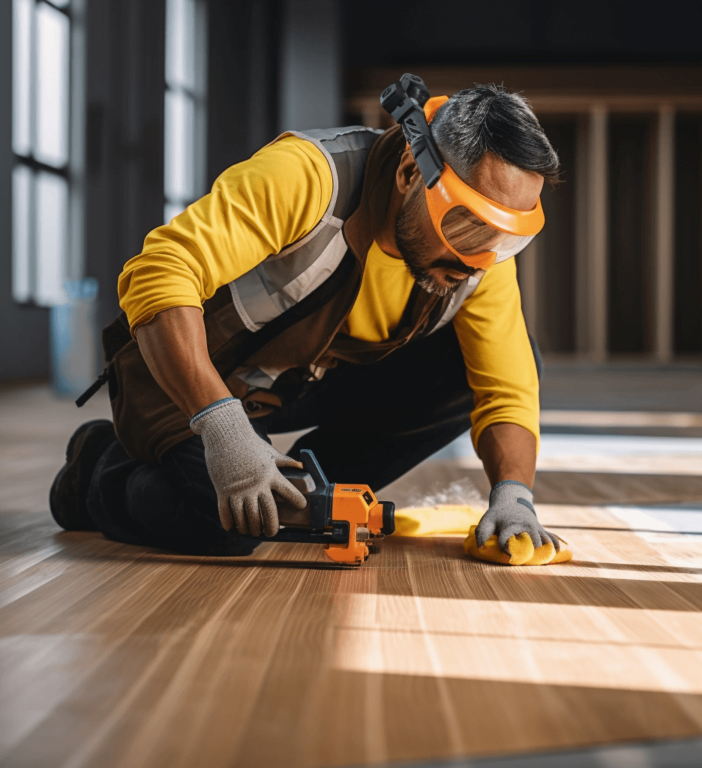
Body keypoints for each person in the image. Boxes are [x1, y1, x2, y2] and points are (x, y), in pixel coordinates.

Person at [50, 82, 562, 558]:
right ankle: (98, 465)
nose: (480, 258)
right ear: (411, 173)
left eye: (508, 238)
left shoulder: (479, 260)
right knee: (226, 526)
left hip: (306, 381)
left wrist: (513, 495)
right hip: (198, 379)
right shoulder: (308, 175)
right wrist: (223, 426)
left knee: (467, 371)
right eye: (468, 224)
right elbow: (159, 272)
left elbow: (507, 387)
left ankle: (304, 487)